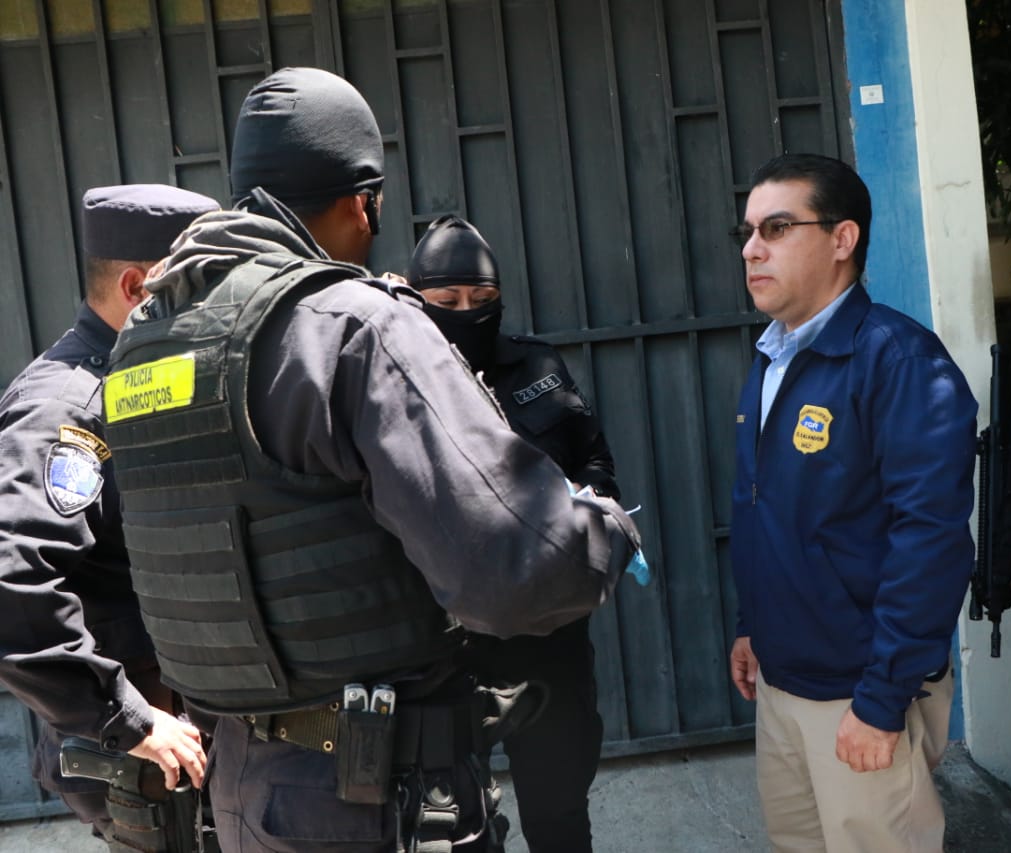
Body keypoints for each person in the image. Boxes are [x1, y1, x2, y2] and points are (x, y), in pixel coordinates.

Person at [101, 67, 639, 853]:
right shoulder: (353, 325)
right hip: (374, 794)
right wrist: (605, 528)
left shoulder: (145, 343)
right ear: (363, 202)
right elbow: (517, 573)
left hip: (241, 794)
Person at [727, 153, 977, 853]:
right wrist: (752, 626)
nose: (751, 249)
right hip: (783, 680)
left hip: (859, 691)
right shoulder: (774, 356)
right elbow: (768, 508)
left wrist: (881, 698)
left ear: (843, 239)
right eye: (747, 231)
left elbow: (930, 540)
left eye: (777, 228)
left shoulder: (898, 360)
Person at [0, 185, 218, 845]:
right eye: (199, 286)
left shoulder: (139, 378)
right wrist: (129, 718)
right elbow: (10, 580)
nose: (214, 307)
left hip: (181, 735)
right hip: (145, 757)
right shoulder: (68, 406)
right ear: (136, 287)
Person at [407, 216, 614, 853]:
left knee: (559, 815)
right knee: (454, 829)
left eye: (483, 298)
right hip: (445, 649)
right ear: (416, 300)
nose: (467, 313)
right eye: (447, 301)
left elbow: (594, 459)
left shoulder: (537, 365)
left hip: (546, 638)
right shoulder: (395, 380)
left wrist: (583, 515)